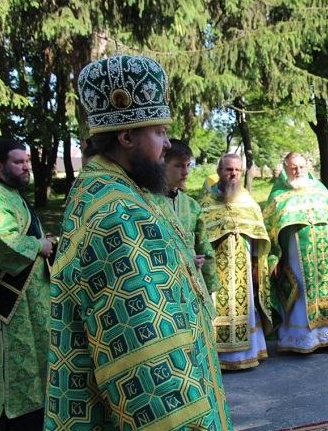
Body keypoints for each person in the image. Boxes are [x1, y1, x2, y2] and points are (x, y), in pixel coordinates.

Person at [45, 55, 232, 430]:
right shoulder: (119, 214)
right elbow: (145, 355)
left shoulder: (119, 188)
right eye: (160, 133)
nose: (167, 145)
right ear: (126, 136)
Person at [0, 139, 54, 430]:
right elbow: (0, 241)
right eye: (19, 162)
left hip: (29, 304)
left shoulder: (9, 192)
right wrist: (39, 245)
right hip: (7, 307)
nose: (27, 167)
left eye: (27, 161)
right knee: (12, 377)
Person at [263, 152, 328, 352]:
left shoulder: (319, 189)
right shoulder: (278, 196)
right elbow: (270, 230)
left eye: (302, 167)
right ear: (285, 169)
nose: (298, 171)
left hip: (325, 255)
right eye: (293, 167)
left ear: (307, 167)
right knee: (301, 294)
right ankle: (304, 339)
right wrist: (273, 260)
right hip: (295, 257)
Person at [200, 153, 271, 370]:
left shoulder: (247, 200)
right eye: (229, 169)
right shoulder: (205, 202)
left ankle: (248, 354)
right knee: (216, 307)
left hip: (243, 266)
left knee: (246, 306)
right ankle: (219, 358)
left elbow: (260, 232)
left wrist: (259, 263)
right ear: (219, 171)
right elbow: (200, 233)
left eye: (237, 170)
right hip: (216, 268)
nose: (233, 174)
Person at [152, 139, 217, 293]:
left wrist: (209, 288)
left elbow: (204, 248)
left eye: (188, 165)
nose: (186, 172)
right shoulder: (148, 202)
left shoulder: (192, 206)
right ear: (162, 165)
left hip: (193, 288)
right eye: (179, 166)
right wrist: (183, 263)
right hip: (163, 288)